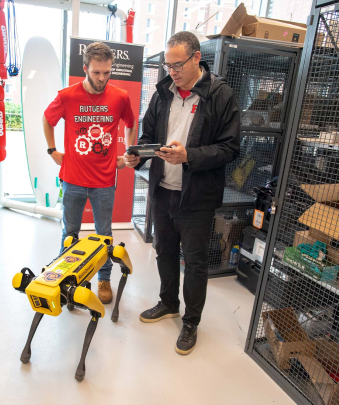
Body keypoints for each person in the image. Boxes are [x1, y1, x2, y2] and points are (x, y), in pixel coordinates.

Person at [124, 31, 240, 355]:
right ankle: (168, 303)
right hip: (162, 190)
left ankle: (190, 322)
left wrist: (190, 156)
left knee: (196, 261)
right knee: (164, 252)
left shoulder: (220, 95)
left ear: (197, 57)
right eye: (167, 65)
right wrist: (138, 157)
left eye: (178, 64)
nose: (171, 71)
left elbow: (230, 149)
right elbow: (148, 134)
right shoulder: (163, 94)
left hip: (197, 197)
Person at [43, 42, 135, 304]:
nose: (102, 78)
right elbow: (47, 120)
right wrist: (52, 150)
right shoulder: (67, 96)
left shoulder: (119, 97)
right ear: (85, 68)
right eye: (96, 72)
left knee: (104, 235)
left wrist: (127, 153)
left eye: (107, 72)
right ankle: (66, 281)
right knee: (69, 233)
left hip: (104, 181)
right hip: (72, 179)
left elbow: (130, 124)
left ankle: (103, 278)